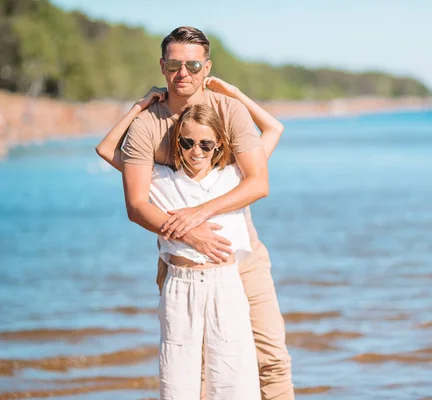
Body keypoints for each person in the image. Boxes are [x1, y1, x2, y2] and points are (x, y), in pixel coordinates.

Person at [97, 26, 294, 400]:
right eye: (174, 64)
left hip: (241, 255)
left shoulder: (228, 110)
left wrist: (199, 214)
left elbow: (258, 182)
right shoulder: (146, 125)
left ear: (207, 68)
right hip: (181, 261)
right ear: (162, 66)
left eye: (192, 65)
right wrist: (189, 233)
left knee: (271, 359)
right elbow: (137, 205)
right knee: (197, 371)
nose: (182, 73)